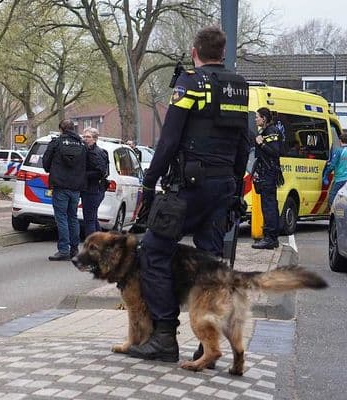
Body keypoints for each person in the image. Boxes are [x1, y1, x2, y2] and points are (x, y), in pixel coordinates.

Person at [129, 27, 250, 363]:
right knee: (209, 260)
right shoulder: (239, 86)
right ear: (222, 52)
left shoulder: (190, 82)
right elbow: (243, 142)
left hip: (188, 189)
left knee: (152, 251)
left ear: (195, 50)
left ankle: (165, 336)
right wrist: (235, 186)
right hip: (223, 187)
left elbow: (169, 139)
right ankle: (206, 342)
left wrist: (149, 182)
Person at [42, 120, 87, 261]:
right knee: (72, 217)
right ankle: (74, 249)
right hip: (76, 187)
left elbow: (46, 163)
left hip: (60, 186)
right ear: (73, 129)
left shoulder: (56, 143)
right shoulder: (82, 144)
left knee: (61, 217)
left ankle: (63, 250)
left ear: (61, 129)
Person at [251, 108, 283, 249]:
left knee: (269, 206)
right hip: (265, 172)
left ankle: (270, 238)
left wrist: (261, 143)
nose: (255, 119)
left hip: (269, 173)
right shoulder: (265, 131)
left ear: (264, 118)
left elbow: (275, 152)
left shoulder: (272, 131)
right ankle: (269, 236)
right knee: (267, 205)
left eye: (257, 117)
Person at [81, 127, 109, 238]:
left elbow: (100, 171)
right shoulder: (88, 151)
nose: (85, 139)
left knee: (89, 220)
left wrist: (83, 175)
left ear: (95, 139)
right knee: (92, 217)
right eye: (84, 136)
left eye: (88, 137)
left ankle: (91, 246)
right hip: (91, 188)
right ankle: (102, 242)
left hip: (94, 189)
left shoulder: (96, 153)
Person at [324, 133, 347, 208]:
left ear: (340, 140)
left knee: (332, 197)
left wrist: (325, 176)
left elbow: (332, 166)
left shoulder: (338, 151)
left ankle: (334, 215)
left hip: (340, 179)